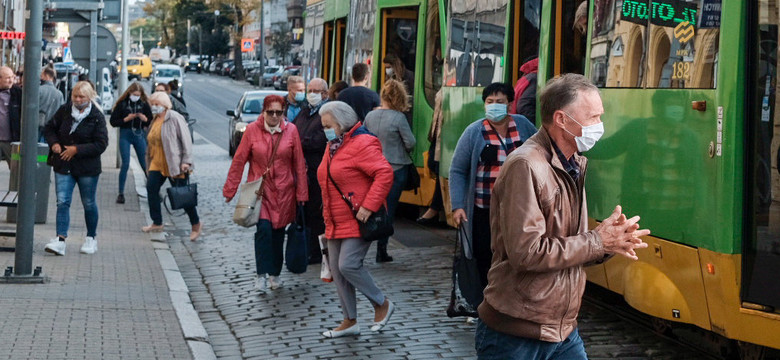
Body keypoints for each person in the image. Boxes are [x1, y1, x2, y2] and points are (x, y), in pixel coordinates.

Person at [475, 74, 650, 359]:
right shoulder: (526, 165)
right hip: (516, 334)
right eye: (592, 117)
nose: (599, 126)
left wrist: (611, 242)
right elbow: (527, 252)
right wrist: (597, 241)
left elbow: (569, 244)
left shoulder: (573, 163)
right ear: (561, 119)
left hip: (562, 330)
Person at [449, 82, 537, 308]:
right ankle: (483, 302)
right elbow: (458, 169)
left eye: (499, 102)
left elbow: (541, 153)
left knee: (513, 254)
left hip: (518, 208)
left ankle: (509, 300)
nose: (495, 106)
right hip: (483, 208)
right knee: (483, 254)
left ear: (509, 103)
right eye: (490, 102)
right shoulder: (474, 132)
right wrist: (458, 205)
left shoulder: (524, 126)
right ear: (484, 104)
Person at [317, 101, 394, 338]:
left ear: (342, 123)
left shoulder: (362, 142)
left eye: (328, 125)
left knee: (348, 264)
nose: (325, 130)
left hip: (358, 218)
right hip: (335, 218)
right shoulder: (333, 145)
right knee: (339, 273)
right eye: (323, 126)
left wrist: (369, 206)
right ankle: (350, 320)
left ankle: (382, 304)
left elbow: (384, 173)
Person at [224, 94, 308, 291]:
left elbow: (299, 164)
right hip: (260, 192)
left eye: (279, 112)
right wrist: (230, 188)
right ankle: (261, 274)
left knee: (278, 234)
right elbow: (239, 161)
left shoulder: (291, 130)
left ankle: (275, 274)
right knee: (263, 230)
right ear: (264, 111)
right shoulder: (252, 130)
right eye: (271, 112)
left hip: (284, 191)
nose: (275, 116)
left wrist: (302, 194)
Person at [43, 81, 108, 256]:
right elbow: (49, 128)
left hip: (87, 167)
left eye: (81, 97)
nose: (78, 100)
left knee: (88, 202)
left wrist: (77, 149)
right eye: (75, 96)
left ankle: (91, 238)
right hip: (63, 164)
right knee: (62, 201)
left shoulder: (96, 116)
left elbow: (101, 144)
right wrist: (54, 143)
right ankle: (60, 240)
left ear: (89, 97)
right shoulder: (64, 110)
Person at [363, 79, 416, 263]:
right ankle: (382, 249)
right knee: (389, 209)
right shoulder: (398, 117)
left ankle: (364, 243)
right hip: (395, 167)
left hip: (372, 168)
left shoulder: (370, 116)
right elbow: (410, 143)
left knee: (373, 206)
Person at [141, 91, 202, 241]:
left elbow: (185, 139)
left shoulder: (174, 117)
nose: (154, 107)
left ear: (165, 105)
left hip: (174, 162)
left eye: (157, 104)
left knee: (182, 197)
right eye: (152, 104)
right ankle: (157, 222)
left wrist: (186, 160)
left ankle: (196, 224)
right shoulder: (155, 120)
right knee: (151, 189)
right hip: (157, 162)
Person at [293, 78, 329, 265]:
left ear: (325, 93)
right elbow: (292, 132)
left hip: (317, 170)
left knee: (317, 214)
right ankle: (306, 250)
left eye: (316, 90)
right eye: (310, 90)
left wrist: (301, 142)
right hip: (302, 171)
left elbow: (320, 139)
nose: (312, 94)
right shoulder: (305, 111)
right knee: (303, 212)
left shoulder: (327, 112)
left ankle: (317, 253)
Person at [110, 82, 153, 204]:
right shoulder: (122, 104)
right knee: (126, 163)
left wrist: (145, 120)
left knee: (145, 164)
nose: (136, 97)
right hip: (126, 134)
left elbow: (150, 120)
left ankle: (153, 190)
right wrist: (125, 119)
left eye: (138, 95)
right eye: (134, 94)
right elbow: (113, 121)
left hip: (138, 134)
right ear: (129, 93)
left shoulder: (143, 104)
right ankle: (121, 192)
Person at [417, 89, 444, 225]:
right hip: (437, 135)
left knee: (440, 168)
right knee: (434, 164)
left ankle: (435, 208)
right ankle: (437, 208)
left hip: (443, 135)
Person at [0, 66, 22, 168]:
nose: (11, 80)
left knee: (16, 168)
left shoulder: (18, 93)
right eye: (8, 78)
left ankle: (15, 185)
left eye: (12, 77)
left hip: (12, 141)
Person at [39, 66, 65, 141]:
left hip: (38, 124)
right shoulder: (59, 94)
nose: (40, 77)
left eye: (42, 75)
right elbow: (62, 111)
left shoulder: (39, 90)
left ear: (46, 76)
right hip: (52, 126)